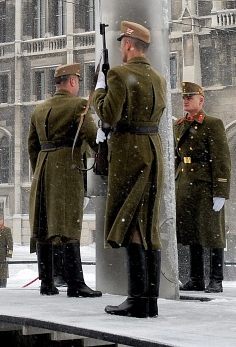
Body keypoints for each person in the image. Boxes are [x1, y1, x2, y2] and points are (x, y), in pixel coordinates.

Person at [93, 20, 166, 319]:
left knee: (131, 220)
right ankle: (150, 299)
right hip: (152, 148)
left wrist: (100, 91)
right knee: (148, 222)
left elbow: (109, 115)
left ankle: (137, 299)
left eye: (122, 43)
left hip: (129, 152)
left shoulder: (121, 75)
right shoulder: (158, 78)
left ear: (127, 45)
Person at [27, 62, 101, 297]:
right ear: (72, 81)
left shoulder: (39, 109)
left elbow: (32, 146)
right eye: (77, 81)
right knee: (69, 225)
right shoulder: (78, 105)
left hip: (42, 168)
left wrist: (40, 170)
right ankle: (75, 283)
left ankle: (46, 283)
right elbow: (91, 137)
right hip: (66, 169)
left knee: (44, 225)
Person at [174, 81, 231, 293]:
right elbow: (176, 158)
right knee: (191, 233)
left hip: (206, 186)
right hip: (185, 185)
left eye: (190, 97)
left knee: (213, 233)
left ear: (201, 100)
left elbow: (222, 160)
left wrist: (221, 191)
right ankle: (196, 277)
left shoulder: (212, 124)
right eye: (184, 98)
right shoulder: (179, 124)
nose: (186, 101)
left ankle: (216, 279)